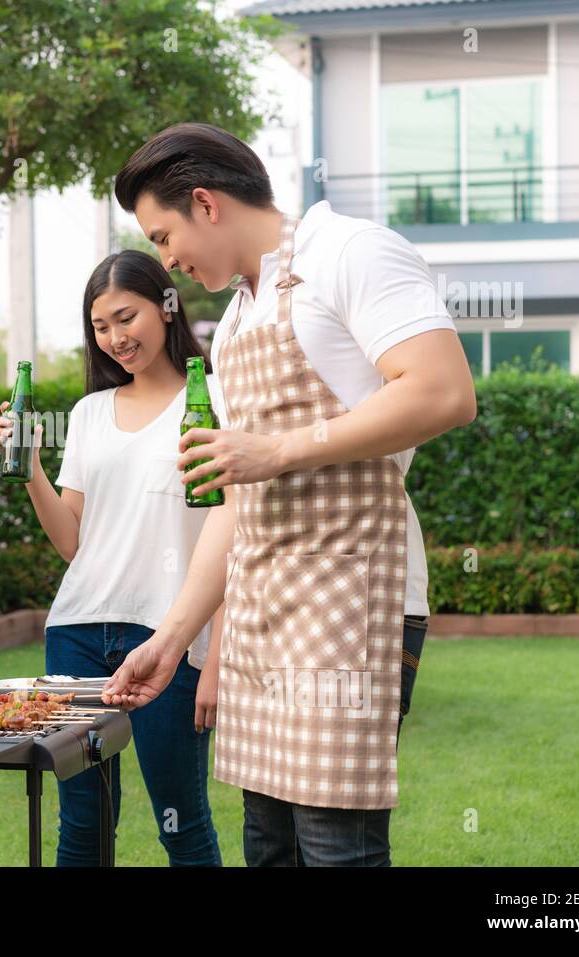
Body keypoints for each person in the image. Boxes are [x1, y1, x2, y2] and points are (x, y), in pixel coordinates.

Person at [103, 122, 477, 866]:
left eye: (162, 234)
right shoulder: (239, 317)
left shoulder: (350, 252)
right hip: (264, 609)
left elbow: (444, 391)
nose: (165, 260)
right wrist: (174, 638)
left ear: (205, 203)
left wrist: (276, 449)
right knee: (268, 846)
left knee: (334, 844)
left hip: (352, 599)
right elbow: (237, 504)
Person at [0, 250, 224, 867]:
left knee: (182, 821)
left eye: (127, 317)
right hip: (77, 630)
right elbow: (74, 542)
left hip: (168, 635)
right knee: (83, 826)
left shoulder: (212, 400)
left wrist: (217, 651)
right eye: (101, 326)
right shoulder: (90, 412)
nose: (116, 338)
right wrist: (33, 466)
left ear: (166, 308)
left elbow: (233, 535)